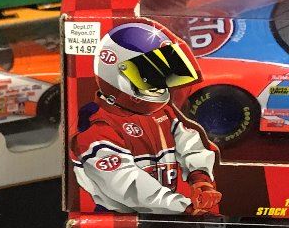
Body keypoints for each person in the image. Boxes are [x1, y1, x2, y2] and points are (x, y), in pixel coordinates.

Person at [71, 19, 221, 215]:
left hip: (168, 212)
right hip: (118, 218)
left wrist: (200, 177)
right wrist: (184, 207)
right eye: (148, 75)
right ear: (117, 74)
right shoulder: (96, 127)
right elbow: (126, 185)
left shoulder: (161, 112)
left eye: (160, 72)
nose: (158, 82)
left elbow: (189, 142)